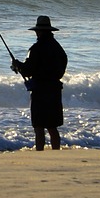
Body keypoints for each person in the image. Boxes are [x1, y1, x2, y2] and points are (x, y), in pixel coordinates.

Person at [11, 15, 69, 150]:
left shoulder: (36, 48)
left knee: (39, 126)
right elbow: (62, 66)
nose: (36, 33)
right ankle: (56, 152)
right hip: (54, 89)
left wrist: (17, 65)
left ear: (40, 31)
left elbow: (27, 71)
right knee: (52, 126)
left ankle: (40, 152)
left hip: (40, 90)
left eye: (37, 31)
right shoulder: (58, 48)